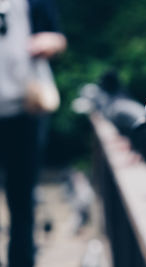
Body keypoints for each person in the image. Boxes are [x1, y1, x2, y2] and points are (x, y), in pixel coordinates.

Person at [0, 0, 66, 266]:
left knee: (22, 197)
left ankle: (21, 260)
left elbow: (58, 37)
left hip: (26, 109)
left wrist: (49, 42)